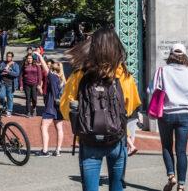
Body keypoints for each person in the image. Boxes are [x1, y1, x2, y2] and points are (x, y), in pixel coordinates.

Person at [59, 28, 141, 191]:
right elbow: (131, 106)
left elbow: (65, 108)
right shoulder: (123, 75)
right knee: (117, 186)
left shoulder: (80, 75)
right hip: (117, 138)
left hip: (89, 138)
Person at [153, 43, 188, 191]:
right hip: (185, 116)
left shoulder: (162, 71)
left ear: (171, 55)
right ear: (184, 55)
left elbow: (152, 89)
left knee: (167, 146)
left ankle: (171, 176)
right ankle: (182, 185)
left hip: (166, 114)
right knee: (181, 151)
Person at [35, 53, 65, 156]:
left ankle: (45, 150)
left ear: (52, 69)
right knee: (59, 128)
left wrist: (39, 55)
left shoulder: (52, 77)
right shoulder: (63, 80)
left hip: (51, 105)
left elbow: (45, 69)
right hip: (59, 106)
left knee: (44, 127)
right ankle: (58, 150)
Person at [0, 52, 20, 117]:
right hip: (2, 83)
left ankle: (9, 110)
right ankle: (4, 106)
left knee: (10, 98)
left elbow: (17, 74)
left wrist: (8, 72)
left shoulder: (15, 65)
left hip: (11, 84)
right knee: (1, 96)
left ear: (12, 57)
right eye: (7, 56)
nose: (8, 57)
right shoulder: (3, 63)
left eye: (9, 56)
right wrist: (6, 66)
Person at [19, 53, 42, 117]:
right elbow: (21, 76)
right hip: (26, 84)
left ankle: (34, 108)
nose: (29, 59)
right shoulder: (24, 65)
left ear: (33, 59)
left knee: (34, 98)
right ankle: (28, 112)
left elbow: (39, 75)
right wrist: (21, 85)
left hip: (35, 84)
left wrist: (39, 84)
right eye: (28, 58)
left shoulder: (36, 65)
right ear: (26, 59)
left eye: (31, 58)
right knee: (28, 98)